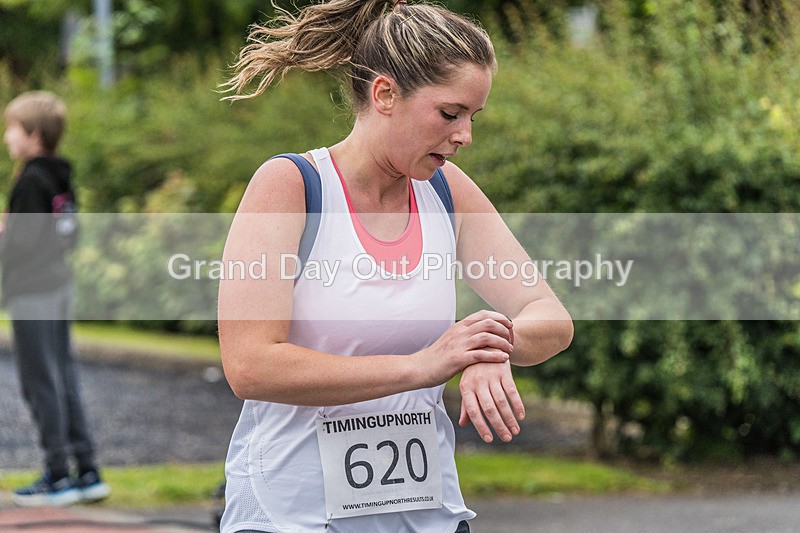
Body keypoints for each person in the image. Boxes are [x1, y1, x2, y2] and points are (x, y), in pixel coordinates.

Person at [217, 1, 573, 531]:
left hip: (426, 518)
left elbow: (549, 315)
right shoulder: (291, 186)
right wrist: (424, 366)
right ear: (385, 94)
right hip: (295, 516)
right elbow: (250, 365)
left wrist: (489, 346)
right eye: (449, 114)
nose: (464, 136)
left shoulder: (446, 192)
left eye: (473, 117)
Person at [1, 91, 110, 507]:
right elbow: (65, 234)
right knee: (62, 377)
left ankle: (56, 476)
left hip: (33, 293)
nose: (7, 138)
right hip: (59, 287)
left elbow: (22, 246)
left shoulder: (30, 180)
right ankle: (87, 472)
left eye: (12, 129)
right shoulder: (59, 177)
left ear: (32, 135)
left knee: (39, 382)